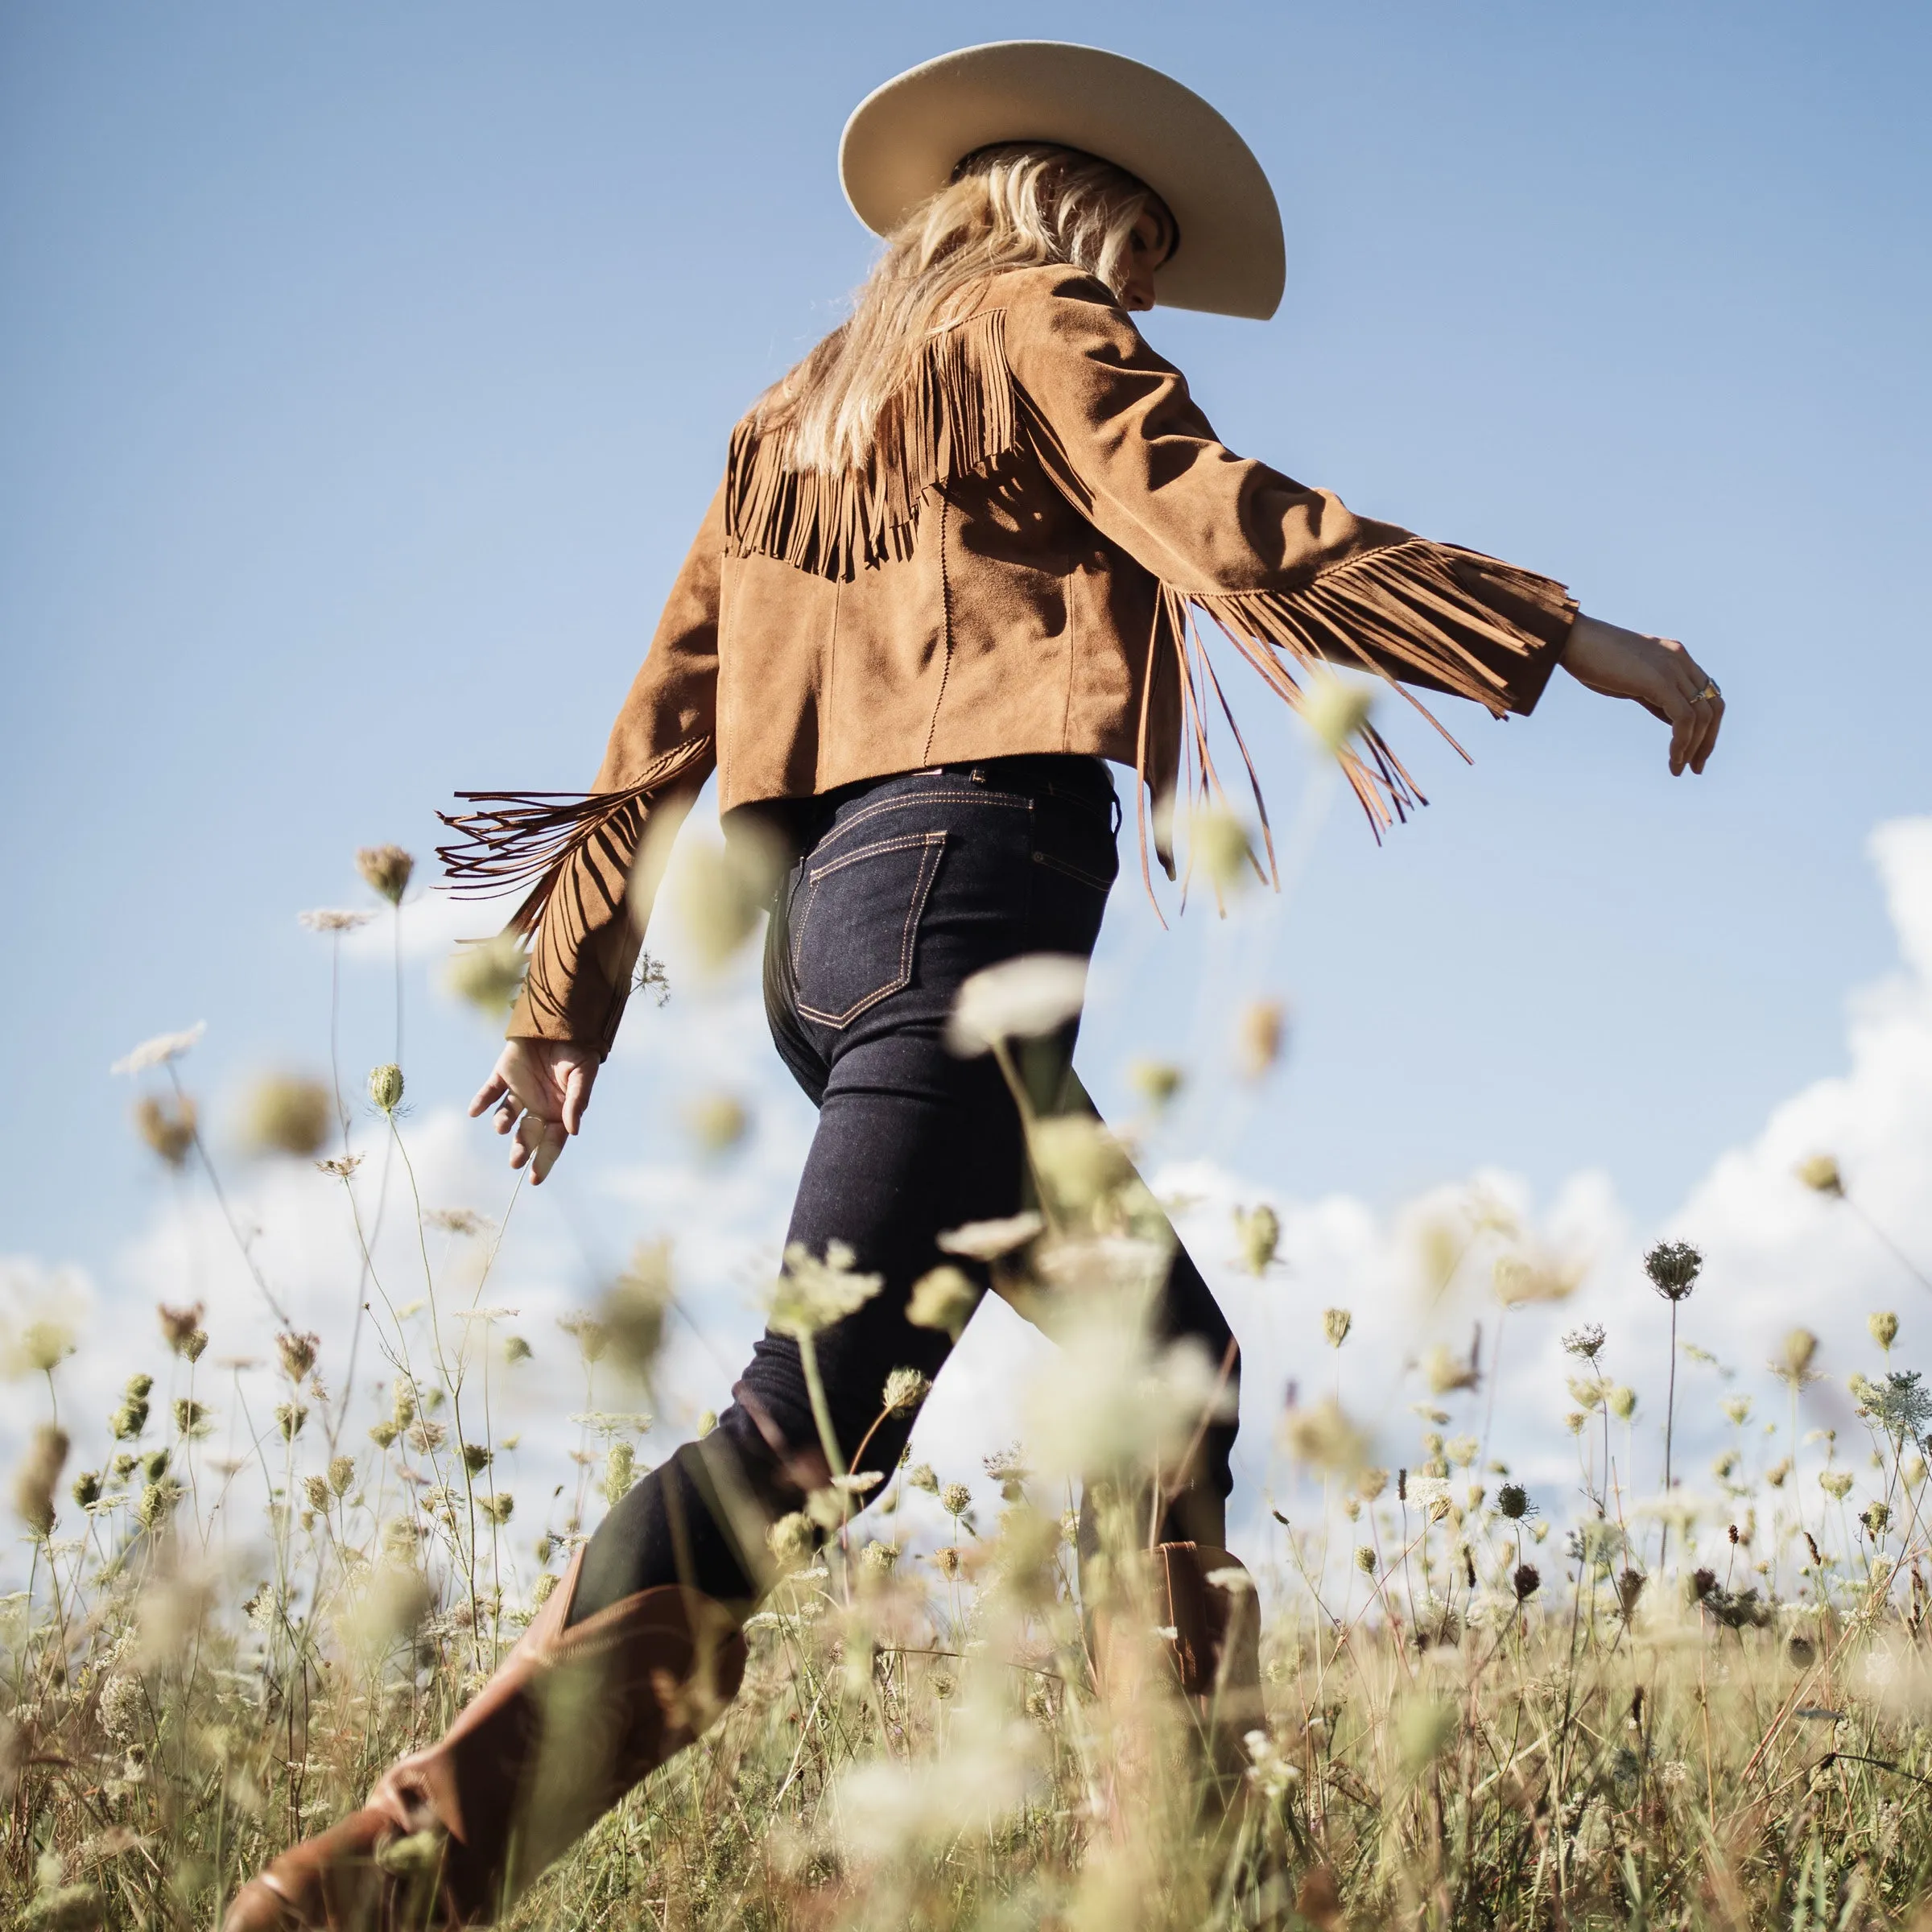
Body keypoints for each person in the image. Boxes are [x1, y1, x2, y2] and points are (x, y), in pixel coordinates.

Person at [227, 39, 1722, 1931]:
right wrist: (1557, 630)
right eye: (1141, 253)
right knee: (805, 1436)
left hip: (826, 952)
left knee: (1169, 1371)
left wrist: (560, 1010)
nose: (1145, 293)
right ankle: (399, 1878)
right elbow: (1208, 508)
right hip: (964, 908)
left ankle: (1192, 1873)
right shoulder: (1036, 316)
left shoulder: (784, 424)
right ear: (1063, 212)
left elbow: (656, 725)